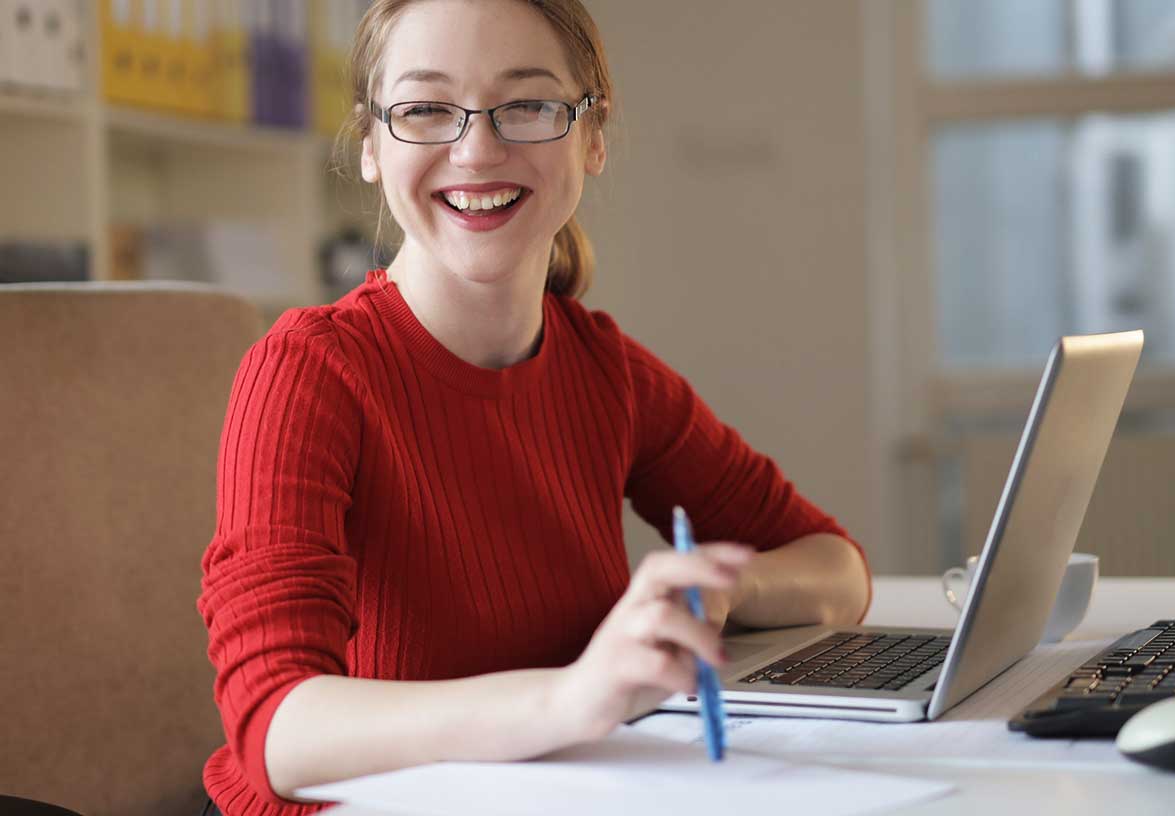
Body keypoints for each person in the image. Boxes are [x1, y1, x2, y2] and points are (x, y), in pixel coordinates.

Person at [196, 1, 872, 814]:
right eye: (424, 109)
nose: (477, 149)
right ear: (372, 145)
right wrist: (571, 698)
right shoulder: (308, 373)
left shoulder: (605, 369)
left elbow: (836, 568)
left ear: (592, 137)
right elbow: (277, 731)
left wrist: (718, 594)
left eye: (527, 105)